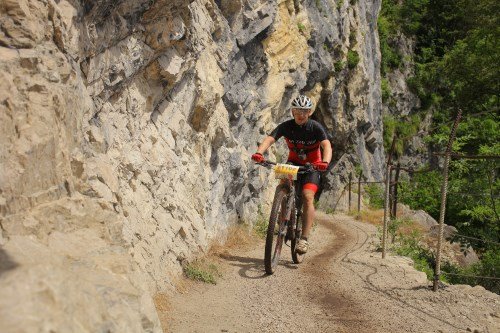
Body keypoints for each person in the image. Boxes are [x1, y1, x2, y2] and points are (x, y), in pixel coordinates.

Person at [251, 95, 332, 254]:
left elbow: (326, 145)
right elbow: (270, 139)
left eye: (304, 111)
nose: (301, 114)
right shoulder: (286, 126)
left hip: (312, 166)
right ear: (292, 111)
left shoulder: (315, 127)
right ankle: (282, 215)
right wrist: (259, 153)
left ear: (309, 112)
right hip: (292, 163)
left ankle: (304, 239)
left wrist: (325, 162)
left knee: (308, 196)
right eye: (297, 111)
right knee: (282, 185)